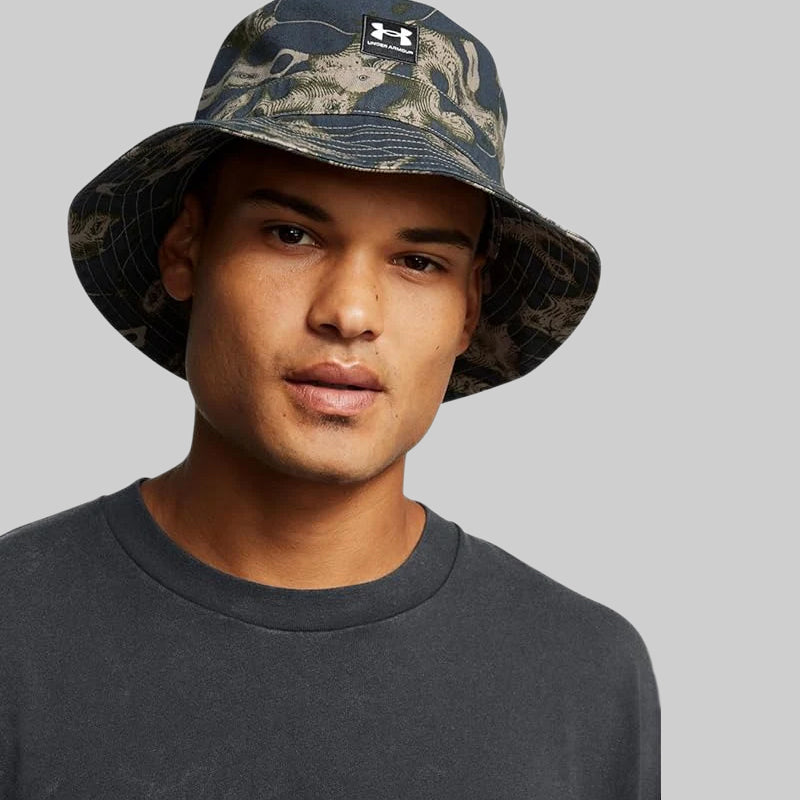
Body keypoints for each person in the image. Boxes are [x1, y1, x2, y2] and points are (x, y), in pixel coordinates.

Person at [0, 1, 660, 797]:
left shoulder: (584, 677)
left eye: (418, 261)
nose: (349, 313)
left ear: (469, 309)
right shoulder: (16, 630)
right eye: (292, 234)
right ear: (186, 249)